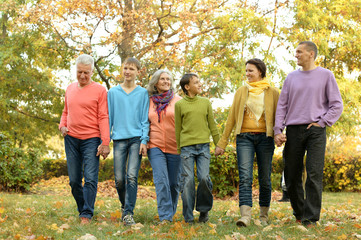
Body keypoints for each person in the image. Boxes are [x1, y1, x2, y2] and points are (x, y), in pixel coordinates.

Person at [274, 41, 343, 227]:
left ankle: (310, 218)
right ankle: (300, 211)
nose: (296, 54)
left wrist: (322, 123)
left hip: (316, 130)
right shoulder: (291, 78)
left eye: (299, 51)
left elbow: (337, 104)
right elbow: (282, 106)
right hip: (294, 130)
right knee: (291, 174)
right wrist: (277, 130)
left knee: (313, 173)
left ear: (311, 54)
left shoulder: (326, 75)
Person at [215, 58, 279, 227]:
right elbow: (231, 118)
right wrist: (222, 142)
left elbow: (280, 116)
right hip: (244, 138)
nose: (247, 74)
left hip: (266, 139)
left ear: (260, 71)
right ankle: (245, 216)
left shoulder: (272, 92)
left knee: (265, 178)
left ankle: (264, 216)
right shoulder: (241, 91)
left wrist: (280, 133)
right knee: (245, 177)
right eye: (246, 71)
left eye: (251, 70)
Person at [59, 54, 110, 225]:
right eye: (79, 72)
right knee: (74, 180)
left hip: (91, 139)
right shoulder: (69, 88)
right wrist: (62, 126)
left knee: (90, 178)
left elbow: (103, 116)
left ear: (92, 72)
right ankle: (83, 208)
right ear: (75, 70)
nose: (82, 76)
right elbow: (65, 112)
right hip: (71, 138)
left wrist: (105, 142)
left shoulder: (100, 90)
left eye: (86, 73)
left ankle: (86, 214)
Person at [107, 57, 149, 226]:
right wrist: (105, 140)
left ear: (138, 72)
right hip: (118, 140)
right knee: (119, 179)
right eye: (125, 68)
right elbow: (108, 118)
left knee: (131, 176)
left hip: (136, 139)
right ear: (122, 70)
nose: (128, 72)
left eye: (132, 69)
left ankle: (128, 213)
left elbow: (145, 119)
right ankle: (125, 206)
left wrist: (144, 140)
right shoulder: (112, 93)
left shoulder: (143, 93)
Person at [175, 73, 220, 224]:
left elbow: (212, 125)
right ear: (187, 87)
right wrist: (179, 148)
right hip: (186, 148)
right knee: (187, 182)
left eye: (199, 81)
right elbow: (178, 128)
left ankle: (203, 211)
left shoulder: (205, 102)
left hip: (203, 147)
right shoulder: (180, 105)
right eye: (196, 82)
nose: (200, 84)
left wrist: (218, 143)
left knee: (203, 178)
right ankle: (188, 217)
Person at [147, 69, 182, 223]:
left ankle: (170, 212)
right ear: (156, 82)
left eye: (168, 79)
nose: (166, 81)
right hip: (155, 145)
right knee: (161, 181)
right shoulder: (149, 101)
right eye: (162, 79)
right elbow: (144, 122)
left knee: (174, 184)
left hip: (176, 147)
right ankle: (165, 217)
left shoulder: (179, 100)